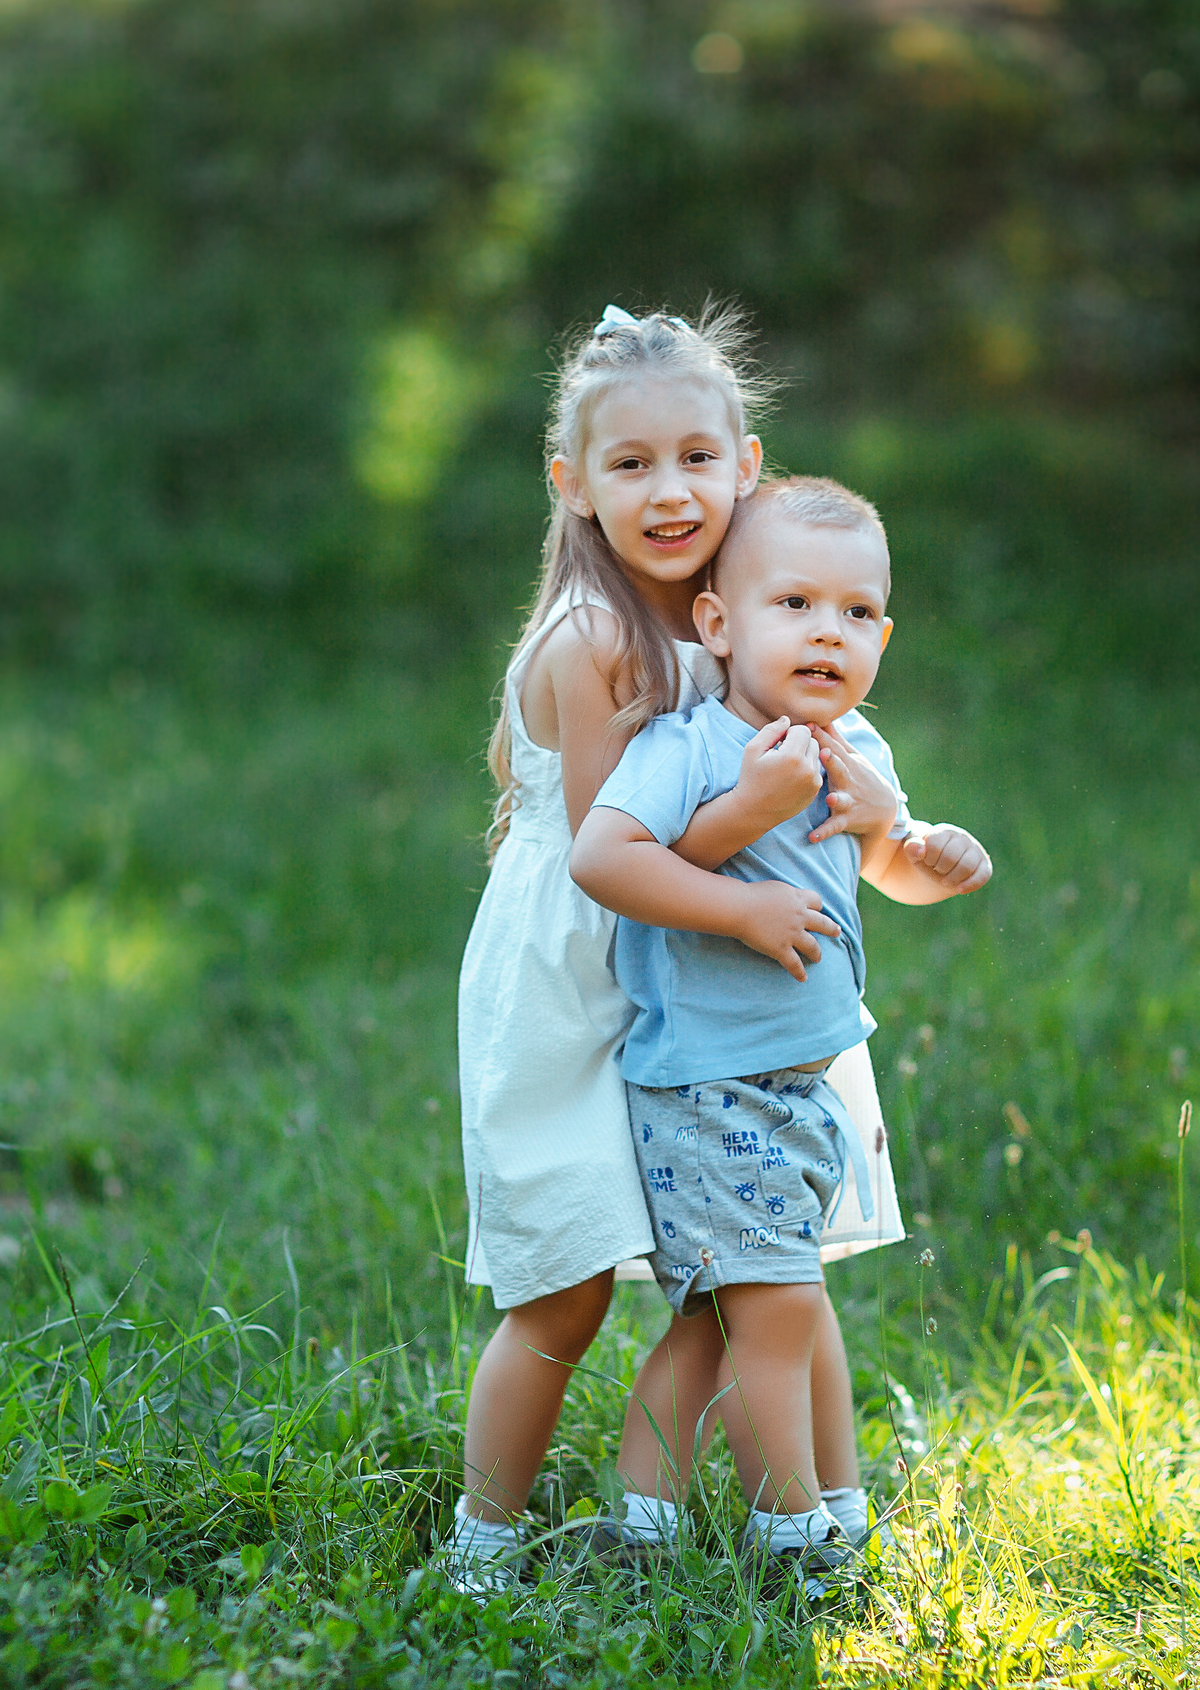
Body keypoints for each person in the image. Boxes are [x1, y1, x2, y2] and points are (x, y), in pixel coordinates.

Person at [442, 308, 905, 1595]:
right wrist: (755, 828)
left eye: (696, 457)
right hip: (584, 967)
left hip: (711, 984)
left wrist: (879, 824)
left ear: (745, 465)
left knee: (762, 1267)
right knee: (567, 1283)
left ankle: (792, 1511)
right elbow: (620, 853)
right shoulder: (593, 638)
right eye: (631, 463)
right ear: (572, 484)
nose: (668, 489)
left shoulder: (743, 609)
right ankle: (481, 1543)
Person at [570, 476, 993, 1594]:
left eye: (856, 613)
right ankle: (792, 1528)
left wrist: (927, 859)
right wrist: (741, 900)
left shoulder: (857, 744)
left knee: (718, 1313)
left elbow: (884, 858)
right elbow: (604, 859)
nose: (827, 630)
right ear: (717, 623)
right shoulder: (693, 746)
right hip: (712, 1085)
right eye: (794, 602)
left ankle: (646, 1519)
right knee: (782, 1303)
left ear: (884, 635)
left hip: (806, 1080)